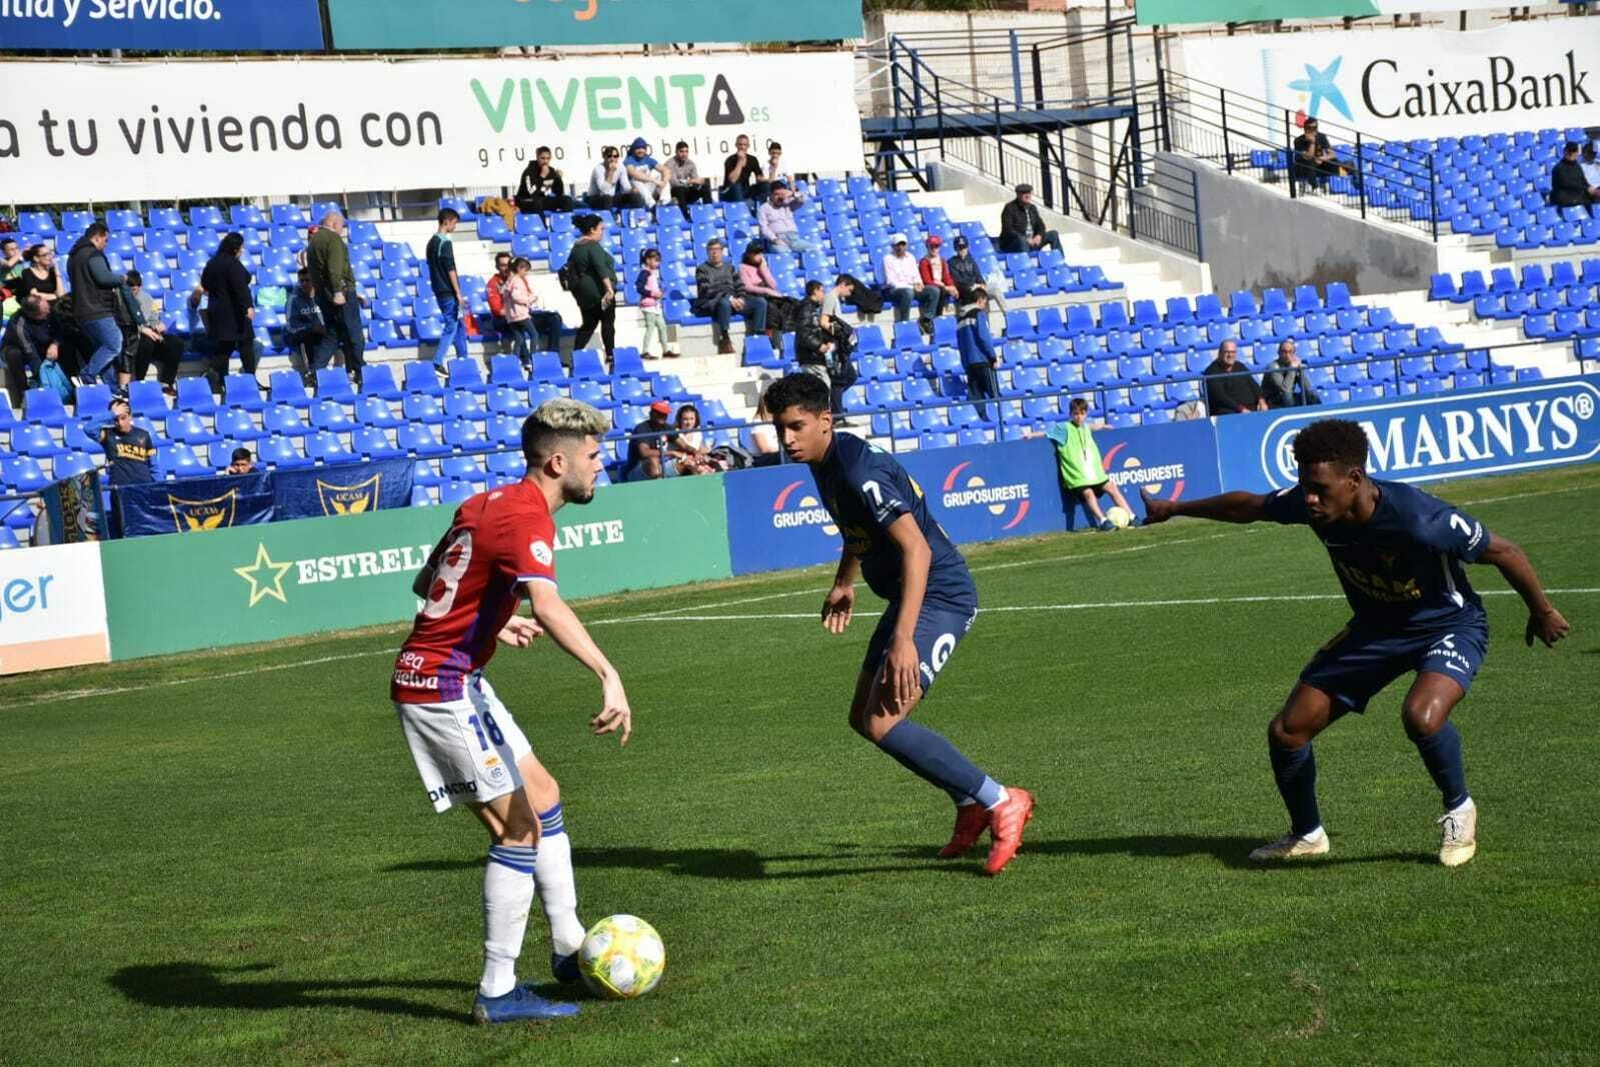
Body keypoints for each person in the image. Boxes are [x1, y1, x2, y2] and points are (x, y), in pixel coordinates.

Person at [1141, 417, 1570, 866]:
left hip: (1448, 625)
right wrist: (1176, 508)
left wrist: (1542, 611)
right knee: (1288, 732)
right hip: (1376, 629)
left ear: (1354, 479)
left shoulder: (1421, 520)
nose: (1309, 498)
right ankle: (1307, 836)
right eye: (1304, 485)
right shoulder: (1313, 505)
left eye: (1319, 488)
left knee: (1420, 716)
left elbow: (1506, 552)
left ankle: (1459, 810)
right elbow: (1247, 505)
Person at [390, 398, 632, 1024]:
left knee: (543, 795)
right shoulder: (527, 518)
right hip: (439, 688)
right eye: (594, 457)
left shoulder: (484, 503)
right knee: (517, 830)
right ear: (558, 462)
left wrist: (494, 623)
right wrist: (609, 674)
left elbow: (429, 586)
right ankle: (498, 991)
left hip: (460, 675)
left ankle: (569, 948)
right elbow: (550, 605)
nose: (601, 466)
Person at [761, 373, 1035, 874]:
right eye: (780, 428)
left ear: (826, 420)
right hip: (911, 597)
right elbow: (858, 529)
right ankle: (968, 804)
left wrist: (904, 637)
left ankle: (1000, 800)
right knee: (862, 718)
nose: (787, 439)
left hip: (941, 595)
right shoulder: (826, 462)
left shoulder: (858, 469)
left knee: (883, 721)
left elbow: (917, 548)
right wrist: (845, 581)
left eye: (796, 426)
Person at [1046, 398, 1133, 531]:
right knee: (1089, 494)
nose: (1079, 417)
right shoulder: (1064, 428)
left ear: (1086, 414)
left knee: (1112, 488)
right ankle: (1103, 521)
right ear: (1070, 414)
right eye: (1075, 413)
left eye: (1082, 413)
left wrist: (1102, 426)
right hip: (1077, 476)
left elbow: (1090, 426)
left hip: (1094, 473)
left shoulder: (1086, 427)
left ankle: (1131, 516)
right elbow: (1047, 433)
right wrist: (1031, 435)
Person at [307, 211, 366, 387]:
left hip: (322, 295)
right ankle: (361, 371)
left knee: (332, 335)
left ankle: (315, 371)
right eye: (341, 226)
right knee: (354, 334)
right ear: (333, 224)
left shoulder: (314, 241)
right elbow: (334, 268)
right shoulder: (333, 239)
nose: (342, 230)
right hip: (340, 294)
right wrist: (338, 292)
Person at [67, 222, 128, 386]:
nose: (106, 245)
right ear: (97, 237)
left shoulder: (73, 257)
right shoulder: (92, 255)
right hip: (97, 309)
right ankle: (86, 376)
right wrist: (122, 278)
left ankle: (112, 388)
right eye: (105, 240)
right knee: (114, 344)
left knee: (103, 349)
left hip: (81, 312)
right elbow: (104, 278)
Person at [199, 232, 257, 395]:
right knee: (246, 346)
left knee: (224, 347)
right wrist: (248, 306)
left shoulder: (212, 263)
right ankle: (250, 378)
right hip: (235, 313)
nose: (242, 250)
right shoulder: (233, 264)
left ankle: (222, 380)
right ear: (235, 248)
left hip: (217, 311)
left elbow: (205, 284)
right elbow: (241, 287)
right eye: (241, 247)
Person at [693, 238, 767, 355]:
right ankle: (725, 338)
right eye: (711, 250)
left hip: (734, 301)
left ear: (722, 251)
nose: (714, 253)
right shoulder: (702, 270)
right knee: (724, 303)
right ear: (707, 252)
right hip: (713, 302)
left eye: (717, 250)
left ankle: (759, 337)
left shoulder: (730, 267)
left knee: (760, 302)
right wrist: (730, 298)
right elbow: (707, 290)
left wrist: (741, 298)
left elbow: (740, 286)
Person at [99, 397, 155, 537]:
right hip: (120, 491)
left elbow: (154, 465)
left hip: (143, 488)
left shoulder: (143, 435)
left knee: (148, 527)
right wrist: (111, 413)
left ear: (130, 416)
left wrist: (156, 486)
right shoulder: (108, 434)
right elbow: (88, 429)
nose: (119, 423)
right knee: (125, 531)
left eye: (123, 418)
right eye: (116, 419)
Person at [567, 213, 617, 363]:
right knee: (607, 323)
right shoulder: (592, 246)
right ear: (592, 229)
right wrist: (609, 289)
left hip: (584, 293)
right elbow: (600, 267)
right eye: (601, 229)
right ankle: (610, 353)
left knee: (589, 324)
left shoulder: (577, 247)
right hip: (598, 292)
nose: (603, 232)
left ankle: (576, 352)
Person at [426, 208, 470, 371]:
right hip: (448, 291)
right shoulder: (445, 242)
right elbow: (450, 269)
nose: (455, 227)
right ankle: (437, 362)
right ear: (447, 221)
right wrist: (458, 292)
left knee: (460, 325)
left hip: (439, 289)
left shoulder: (431, 242)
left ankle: (463, 359)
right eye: (454, 223)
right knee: (451, 325)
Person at [2, 292, 63, 409]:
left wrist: (55, 344)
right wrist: (43, 378)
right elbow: (30, 353)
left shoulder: (50, 311)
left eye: (47, 309)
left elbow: (60, 332)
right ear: (33, 315)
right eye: (44, 313)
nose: (49, 312)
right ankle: (23, 396)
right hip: (19, 349)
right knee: (14, 354)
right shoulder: (18, 324)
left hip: (44, 345)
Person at [286, 268, 336, 388]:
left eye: (307, 280)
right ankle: (312, 373)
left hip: (323, 332)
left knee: (335, 335)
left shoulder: (323, 296)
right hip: (303, 334)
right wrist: (311, 327)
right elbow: (290, 325)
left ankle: (318, 373)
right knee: (309, 338)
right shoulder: (294, 300)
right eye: (301, 281)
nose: (304, 284)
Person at [955, 284, 999, 420]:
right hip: (982, 361)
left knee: (977, 398)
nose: (985, 306)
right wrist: (993, 357)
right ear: (980, 300)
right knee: (995, 396)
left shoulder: (960, 318)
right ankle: (999, 424)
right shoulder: (978, 314)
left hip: (969, 363)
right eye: (985, 303)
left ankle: (983, 424)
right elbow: (984, 338)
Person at [738, 242, 801, 336]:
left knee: (791, 303)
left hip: (768, 294)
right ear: (749, 255)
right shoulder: (743, 268)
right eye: (756, 253)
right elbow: (748, 287)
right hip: (755, 295)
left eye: (760, 253)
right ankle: (768, 336)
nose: (759, 256)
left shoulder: (762, 266)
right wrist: (767, 291)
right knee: (771, 307)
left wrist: (763, 268)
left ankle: (790, 333)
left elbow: (773, 285)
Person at [879, 234, 940, 329]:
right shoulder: (888, 259)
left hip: (910, 288)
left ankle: (926, 319)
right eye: (898, 245)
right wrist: (912, 286)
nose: (900, 247)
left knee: (934, 291)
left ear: (906, 246)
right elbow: (891, 282)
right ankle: (904, 322)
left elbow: (916, 275)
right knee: (908, 292)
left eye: (903, 244)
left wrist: (919, 283)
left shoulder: (910, 257)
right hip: (892, 291)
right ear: (893, 246)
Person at [633, 249, 677, 361]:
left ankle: (665, 349)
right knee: (650, 328)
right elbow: (639, 288)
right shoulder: (644, 273)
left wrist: (659, 294)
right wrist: (652, 293)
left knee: (662, 326)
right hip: (648, 305)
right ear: (648, 260)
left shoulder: (651, 273)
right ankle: (645, 351)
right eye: (656, 260)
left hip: (655, 305)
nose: (658, 263)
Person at [1203, 339, 1265, 415]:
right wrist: (1241, 409)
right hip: (1230, 411)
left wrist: (1261, 400)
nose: (1230, 355)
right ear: (1220, 353)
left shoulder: (1240, 366)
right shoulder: (1211, 372)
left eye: (1233, 352)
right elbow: (1221, 396)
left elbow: (1254, 385)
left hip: (1251, 407)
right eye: (1227, 352)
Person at [997, 184, 1063, 255]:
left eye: (1029, 193)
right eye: (1024, 193)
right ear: (1018, 195)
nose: (1027, 196)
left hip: (1032, 241)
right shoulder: (1010, 208)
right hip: (1013, 243)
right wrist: (1026, 239)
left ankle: (1060, 259)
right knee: (1022, 240)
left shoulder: (1032, 208)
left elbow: (1040, 225)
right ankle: (1028, 263)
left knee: (1053, 234)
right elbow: (1008, 229)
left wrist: (1039, 235)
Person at [1261, 339, 1322, 409]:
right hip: (1273, 400)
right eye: (1284, 352)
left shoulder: (1295, 364)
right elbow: (1284, 390)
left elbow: (1307, 387)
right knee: (1287, 395)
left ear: (1294, 353)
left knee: (1312, 394)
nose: (1287, 355)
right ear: (1278, 352)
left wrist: (1300, 370)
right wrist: (1292, 368)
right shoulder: (1272, 367)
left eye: (1290, 352)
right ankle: (1293, 414)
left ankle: (1321, 412)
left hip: (1287, 399)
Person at [515, 146, 574, 216]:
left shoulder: (551, 171)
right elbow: (533, 193)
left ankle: (564, 223)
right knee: (537, 202)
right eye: (542, 158)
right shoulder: (529, 172)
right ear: (537, 158)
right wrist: (542, 177)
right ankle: (543, 226)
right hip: (527, 201)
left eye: (548, 158)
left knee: (567, 200)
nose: (545, 161)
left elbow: (559, 192)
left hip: (542, 200)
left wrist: (558, 179)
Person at [501, 257, 539, 364]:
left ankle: (515, 360)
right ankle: (533, 357)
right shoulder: (517, 281)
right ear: (519, 268)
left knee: (519, 338)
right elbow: (515, 296)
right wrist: (530, 299)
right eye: (525, 270)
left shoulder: (509, 281)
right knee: (534, 334)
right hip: (520, 314)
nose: (526, 273)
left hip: (511, 316)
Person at [624, 398, 673, 481]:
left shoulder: (667, 427)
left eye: (665, 413)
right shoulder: (641, 428)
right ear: (651, 414)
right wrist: (672, 452)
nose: (662, 416)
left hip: (661, 466)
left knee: (686, 461)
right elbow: (645, 453)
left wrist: (695, 452)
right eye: (659, 413)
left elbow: (684, 445)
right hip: (636, 471)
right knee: (653, 460)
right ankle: (661, 489)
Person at [1292, 118, 1346, 192]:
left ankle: (1343, 178)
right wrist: (1312, 142)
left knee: (1334, 161)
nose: (1312, 130)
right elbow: (1308, 157)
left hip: (1319, 165)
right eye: (1309, 128)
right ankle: (1314, 187)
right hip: (1303, 167)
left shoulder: (1321, 137)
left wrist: (1323, 158)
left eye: (1314, 128)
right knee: (1309, 162)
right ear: (1304, 129)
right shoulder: (1299, 140)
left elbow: (1332, 154)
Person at [757, 182, 811, 253]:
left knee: (814, 249)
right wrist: (775, 239)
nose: (780, 197)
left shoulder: (789, 203)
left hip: (794, 239)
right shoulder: (764, 208)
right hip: (778, 239)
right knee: (784, 252)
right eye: (776, 194)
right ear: (770, 194)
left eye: (782, 194)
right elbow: (763, 228)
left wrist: (792, 194)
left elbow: (805, 198)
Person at [663, 141, 711, 219]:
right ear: (676, 152)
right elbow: (674, 183)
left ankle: (708, 212)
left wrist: (698, 183)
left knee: (705, 186)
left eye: (686, 151)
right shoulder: (669, 164)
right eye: (681, 151)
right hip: (675, 193)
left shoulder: (690, 163)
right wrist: (689, 181)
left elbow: (695, 179)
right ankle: (685, 216)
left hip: (687, 191)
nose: (684, 154)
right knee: (679, 189)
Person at [587, 146, 643, 211]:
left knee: (635, 196)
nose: (612, 159)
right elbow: (604, 191)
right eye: (609, 156)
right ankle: (610, 219)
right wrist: (611, 172)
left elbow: (625, 186)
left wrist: (632, 190)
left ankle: (638, 218)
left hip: (611, 197)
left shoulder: (621, 167)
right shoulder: (598, 169)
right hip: (595, 198)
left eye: (615, 156)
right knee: (606, 198)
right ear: (604, 157)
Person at [668, 403, 718, 476]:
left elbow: (700, 449)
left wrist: (708, 449)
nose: (689, 423)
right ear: (680, 419)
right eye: (685, 419)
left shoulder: (697, 432)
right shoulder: (675, 433)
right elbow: (680, 452)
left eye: (692, 419)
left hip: (695, 462)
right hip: (680, 464)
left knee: (716, 464)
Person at [918, 235, 958, 321]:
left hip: (940, 286)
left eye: (936, 246)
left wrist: (952, 286)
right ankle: (932, 317)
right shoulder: (924, 262)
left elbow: (946, 276)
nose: (934, 249)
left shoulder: (942, 260)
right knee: (939, 290)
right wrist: (945, 287)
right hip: (929, 287)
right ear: (927, 247)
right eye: (931, 246)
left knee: (954, 290)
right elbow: (927, 280)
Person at [1550, 141, 1597, 208]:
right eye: (1569, 151)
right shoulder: (1558, 168)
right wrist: (1586, 189)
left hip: (1577, 194)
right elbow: (1568, 183)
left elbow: (1583, 180)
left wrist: (1590, 187)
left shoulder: (1577, 166)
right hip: (1565, 196)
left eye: (1574, 151)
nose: (1571, 153)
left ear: (1577, 153)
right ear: (1564, 152)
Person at [624, 137, 667, 208]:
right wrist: (655, 181)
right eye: (638, 148)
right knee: (635, 180)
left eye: (643, 148)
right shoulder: (629, 160)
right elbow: (633, 173)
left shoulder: (649, 159)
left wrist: (663, 182)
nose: (640, 150)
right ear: (633, 150)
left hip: (649, 188)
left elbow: (665, 170)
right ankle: (651, 204)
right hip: (637, 192)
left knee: (660, 175)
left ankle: (665, 201)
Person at [485, 252, 514, 351]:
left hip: (520, 315)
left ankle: (553, 356)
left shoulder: (517, 279)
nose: (506, 268)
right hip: (502, 319)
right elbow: (497, 310)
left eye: (509, 265)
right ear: (497, 267)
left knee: (554, 319)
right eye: (503, 265)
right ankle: (523, 358)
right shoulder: (493, 283)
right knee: (516, 323)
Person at [722, 134, 761, 203]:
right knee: (737, 186)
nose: (742, 147)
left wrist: (768, 179)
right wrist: (740, 160)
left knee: (765, 186)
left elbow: (759, 177)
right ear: (736, 145)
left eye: (744, 145)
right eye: (740, 145)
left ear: (748, 146)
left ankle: (763, 209)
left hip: (746, 189)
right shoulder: (730, 160)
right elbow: (733, 180)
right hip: (731, 189)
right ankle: (741, 210)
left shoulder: (753, 159)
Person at [948, 234, 983, 300]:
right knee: (973, 292)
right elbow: (957, 280)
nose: (962, 250)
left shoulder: (971, 260)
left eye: (964, 247)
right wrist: (973, 285)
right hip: (965, 289)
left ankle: (1006, 310)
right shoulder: (951, 262)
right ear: (955, 248)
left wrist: (982, 284)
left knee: (994, 289)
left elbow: (978, 275)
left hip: (976, 286)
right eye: (960, 247)